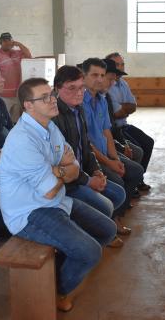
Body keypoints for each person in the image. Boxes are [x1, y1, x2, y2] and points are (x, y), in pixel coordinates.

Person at [0, 77, 116, 312]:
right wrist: (63, 170)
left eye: (51, 94)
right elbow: (51, 188)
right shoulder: (22, 140)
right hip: (30, 212)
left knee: (107, 230)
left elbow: (73, 165)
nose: (53, 100)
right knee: (90, 253)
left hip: (56, 201)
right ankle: (56, 290)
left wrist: (57, 170)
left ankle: (60, 268)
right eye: (45, 98)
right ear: (28, 105)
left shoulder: (49, 126)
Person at [53, 65, 129, 245]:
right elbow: (62, 164)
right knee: (106, 205)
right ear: (57, 88)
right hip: (66, 183)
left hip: (81, 174)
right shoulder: (55, 117)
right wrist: (88, 181)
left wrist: (96, 171)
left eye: (81, 88)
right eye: (72, 88)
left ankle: (93, 227)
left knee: (118, 194)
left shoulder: (78, 109)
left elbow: (85, 146)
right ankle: (87, 233)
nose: (79, 93)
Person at [81, 58, 144, 211]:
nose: (99, 79)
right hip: (91, 158)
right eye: (94, 75)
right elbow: (86, 143)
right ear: (84, 76)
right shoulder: (80, 102)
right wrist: (110, 163)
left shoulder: (102, 100)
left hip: (105, 153)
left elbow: (107, 132)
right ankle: (113, 216)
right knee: (117, 181)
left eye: (102, 75)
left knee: (136, 170)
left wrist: (116, 159)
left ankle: (119, 212)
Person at [105, 52, 154, 192]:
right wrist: (124, 108)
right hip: (115, 128)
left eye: (122, 64)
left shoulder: (123, 83)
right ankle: (132, 183)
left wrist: (123, 108)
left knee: (148, 142)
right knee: (137, 150)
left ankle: (138, 180)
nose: (120, 67)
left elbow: (133, 106)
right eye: (117, 65)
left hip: (124, 125)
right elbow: (116, 113)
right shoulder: (107, 87)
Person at [0, 32, 32, 119]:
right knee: (3, 119)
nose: (7, 43)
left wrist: (19, 44)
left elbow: (29, 56)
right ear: (0, 43)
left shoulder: (17, 53)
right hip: (3, 95)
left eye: (9, 40)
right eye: (4, 41)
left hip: (17, 94)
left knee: (16, 119)